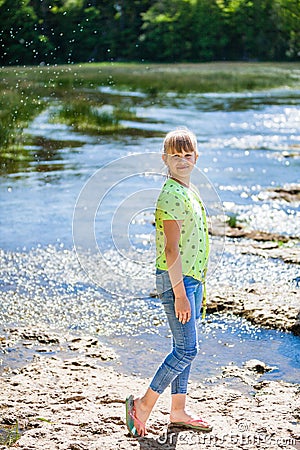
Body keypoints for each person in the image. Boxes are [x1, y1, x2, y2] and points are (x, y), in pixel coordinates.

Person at [126, 127, 212, 437]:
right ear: (165, 159)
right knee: (188, 350)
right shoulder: (171, 195)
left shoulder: (189, 190)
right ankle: (143, 405)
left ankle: (178, 411)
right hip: (179, 281)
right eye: (176, 156)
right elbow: (171, 249)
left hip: (192, 279)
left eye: (188, 155)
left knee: (183, 347)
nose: (183, 160)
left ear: (196, 158)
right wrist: (179, 294)